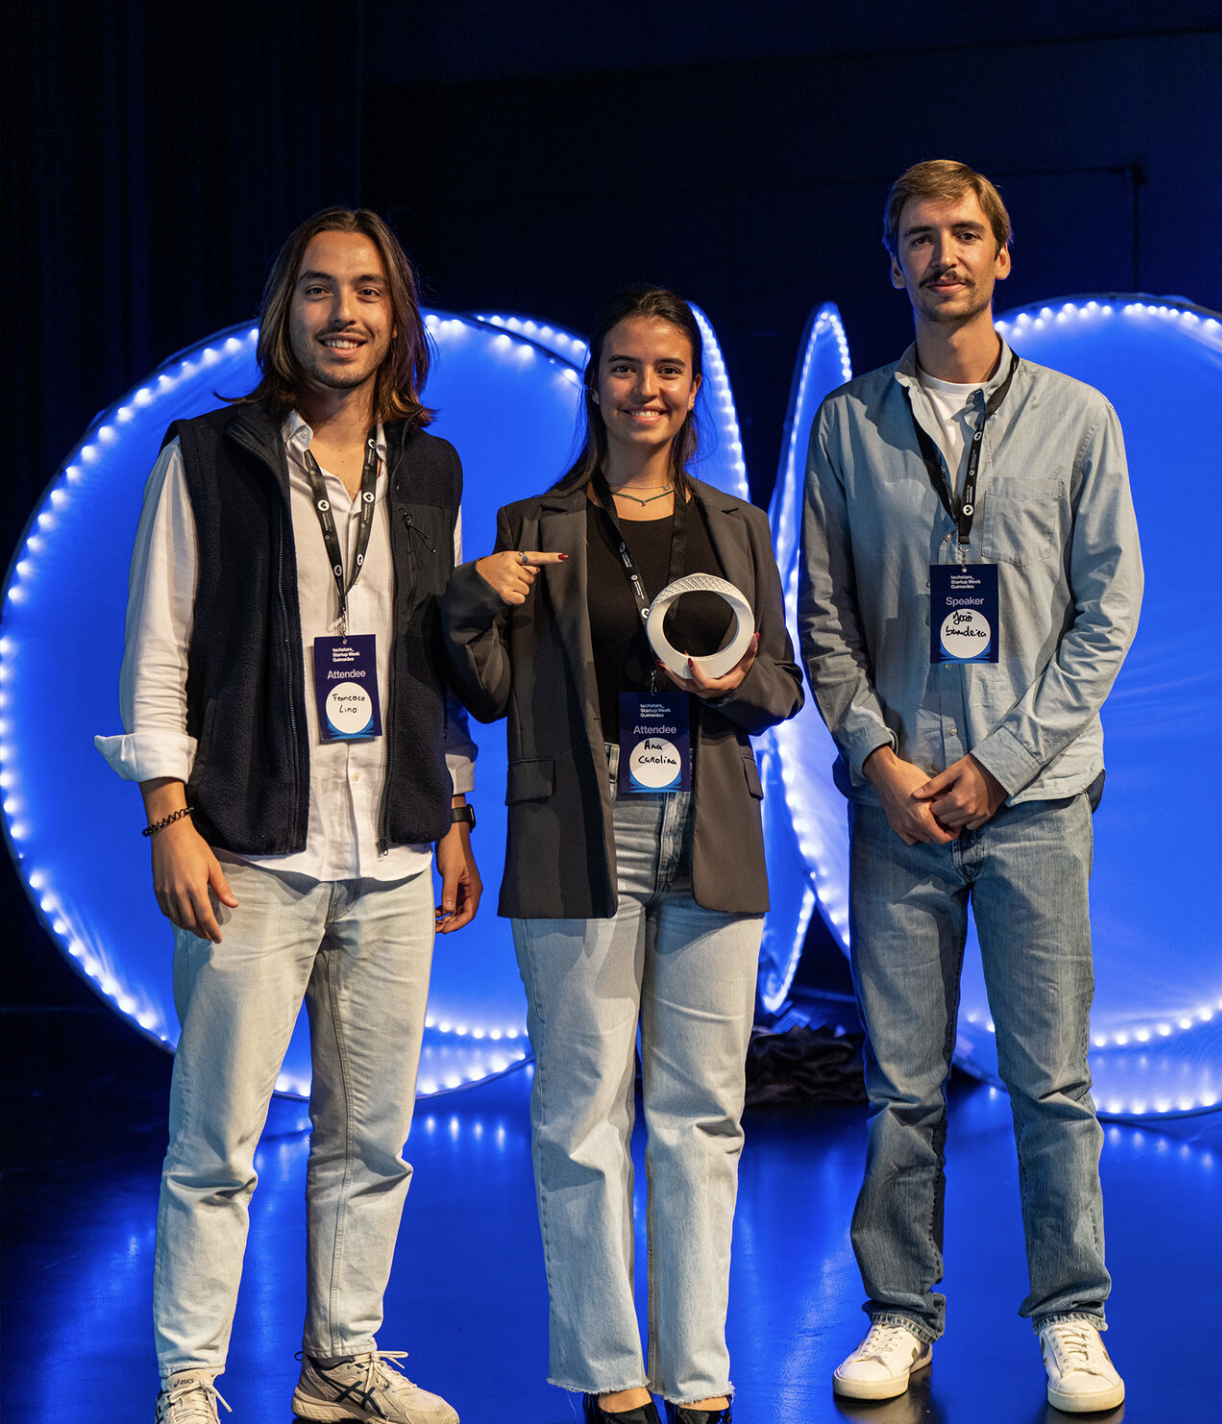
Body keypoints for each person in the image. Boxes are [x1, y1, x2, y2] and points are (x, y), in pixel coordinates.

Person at [95, 207, 481, 1424]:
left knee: (374, 1141)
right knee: (217, 1141)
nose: (344, 314)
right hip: (251, 843)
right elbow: (157, 643)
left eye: (367, 291)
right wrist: (169, 814)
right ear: (286, 311)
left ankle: (341, 1362)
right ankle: (191, 1379)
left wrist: (454, 811)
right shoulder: (207, 454)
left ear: (396, 315)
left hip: (393, 844)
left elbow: (437, 648)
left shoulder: (428, 467)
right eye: (319, 290)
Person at [798, 160, 1142, 1413]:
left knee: (1051, 1081)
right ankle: (898, 1312)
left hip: (1036, 799)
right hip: (898, 807)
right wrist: (880, 761)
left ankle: (1073, 1317)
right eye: (916, 238)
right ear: (891, 264)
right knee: (901, 1083)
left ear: (1002, 257)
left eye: (963, 235)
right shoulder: (847, 425)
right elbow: (822, 625)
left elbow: (1106, 619)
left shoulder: (1077, 416)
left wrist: (1000, 765)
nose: (942, 255)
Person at [442, 285, 802, 1424]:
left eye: (668, 370)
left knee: (702, 1111)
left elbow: (782, 684)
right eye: (625, 367)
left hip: (709, 817)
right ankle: (611, 1373)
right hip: (575, 818)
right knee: (580, 1110)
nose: (646, 388)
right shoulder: (532, 525)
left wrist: (728, 684)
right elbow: (489, 694)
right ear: (594, 384)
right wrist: (467, 601)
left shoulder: (735, 524)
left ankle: (698, 1379)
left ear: (692, 389)